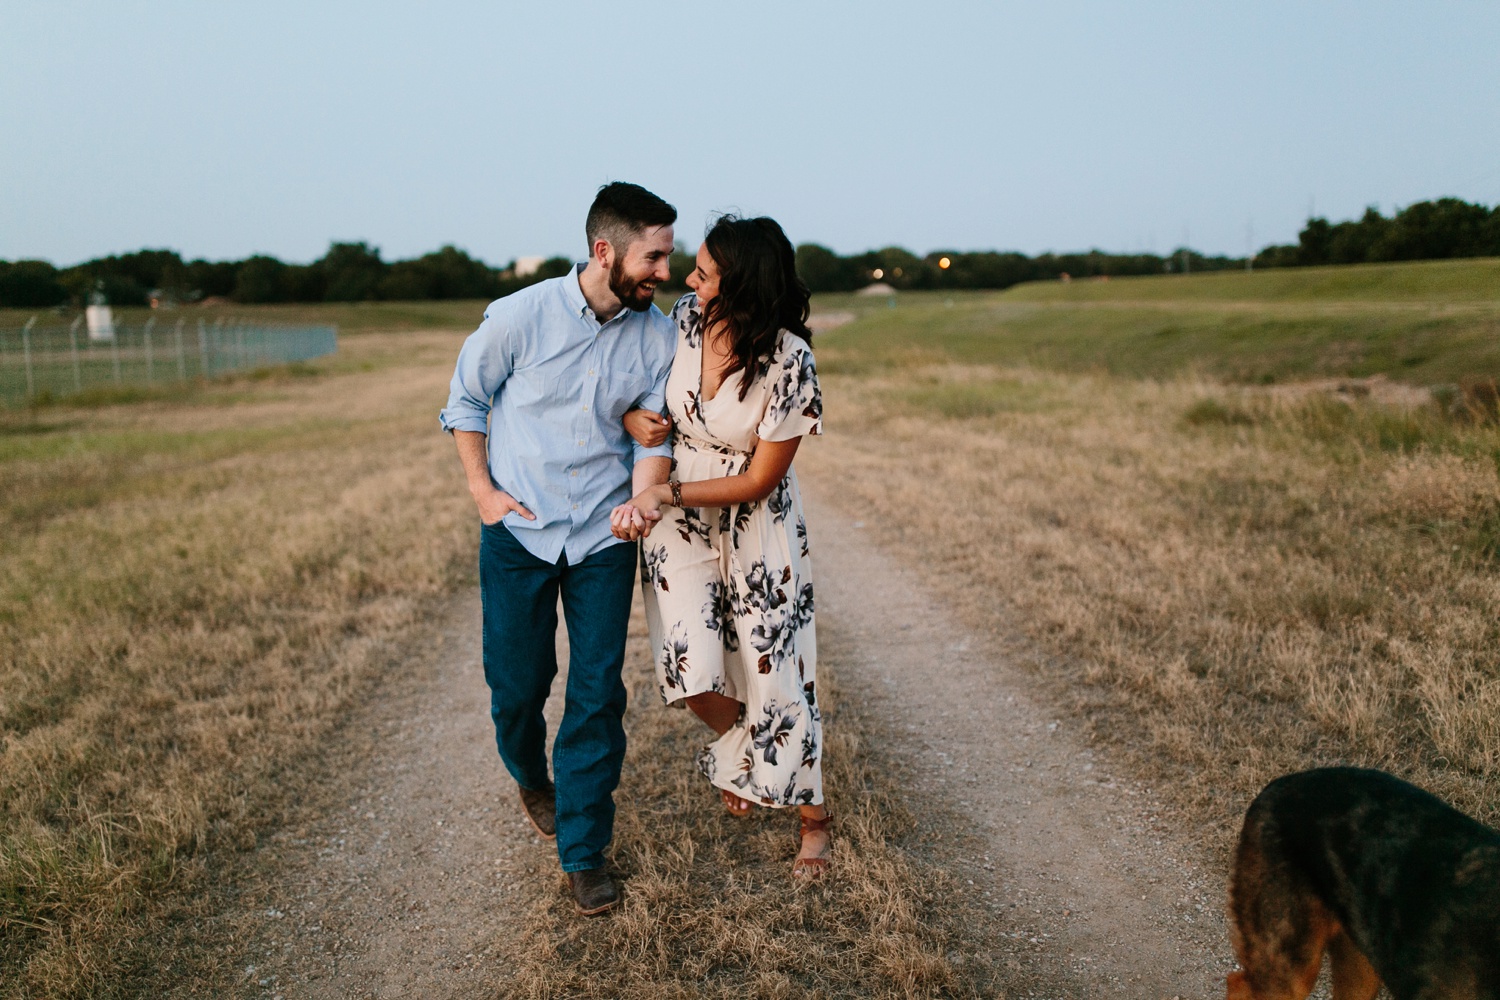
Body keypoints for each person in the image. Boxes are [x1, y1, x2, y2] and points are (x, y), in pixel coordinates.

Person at [438, 182, 678, 915]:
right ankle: (530, 777)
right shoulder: (520, 317)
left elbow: (654, 432)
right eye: (653, 257)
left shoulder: (658, 334)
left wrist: (642, 498)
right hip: (518, 533)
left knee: (597, 694)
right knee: (516, 688)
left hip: (605, 536)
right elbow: (465, 402)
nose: (663, 272)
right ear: (604, 251)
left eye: (668, 257)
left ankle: (583, 851)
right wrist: (483, 493)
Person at [613, 215, 831, 877]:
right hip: (676, 516)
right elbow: (640, 391)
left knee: (775, 670)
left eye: (703, 272)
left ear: (738, 284)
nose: (688, 279)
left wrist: (666, 496)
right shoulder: (681, 320)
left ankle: (814, 818)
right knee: (689, 670)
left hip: (755, 520)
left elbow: (761, 477)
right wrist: (631, 417)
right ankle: (747, 752)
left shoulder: (792, 359)